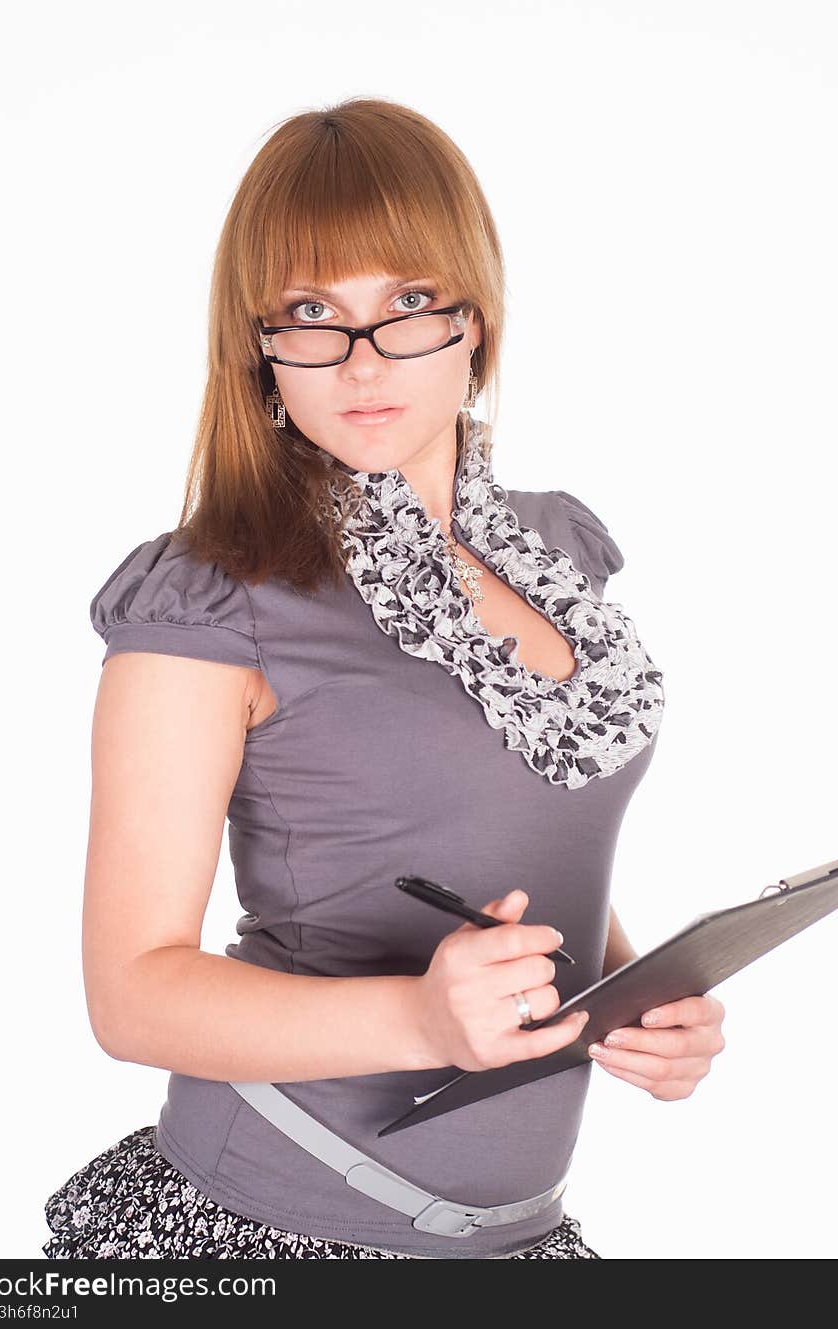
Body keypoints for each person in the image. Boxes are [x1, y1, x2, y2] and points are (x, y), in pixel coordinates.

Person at [42, 96, 725, 1261]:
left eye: (406, 305)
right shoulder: (209, 597)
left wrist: (629, 993)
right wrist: (414, 1015)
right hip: (255, 1230)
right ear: (258, 347)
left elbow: (519, 832)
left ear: (475, 319)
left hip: (517, 1239)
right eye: (312, 314)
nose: (362, 362)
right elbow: (132, 996)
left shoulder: (558, 552)